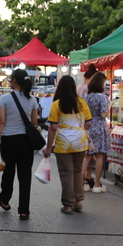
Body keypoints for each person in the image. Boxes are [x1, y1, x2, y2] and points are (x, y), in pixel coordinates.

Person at [0, 68, 40, 220]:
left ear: (14, 81)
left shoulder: (5, 98)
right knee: (25, 175)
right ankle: (24, 210)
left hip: (9, 139)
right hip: (26, 141)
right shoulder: (32, 99)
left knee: (8, 172)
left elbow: (1, 121)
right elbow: (34, 122)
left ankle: (5, 200)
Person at [44, 75, 92, 214]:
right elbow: (88, 123)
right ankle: (79, 201)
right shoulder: (82, 103)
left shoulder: (57, 104)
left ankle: (68, 205)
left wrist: (49, 147)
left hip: (63, 144)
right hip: (80, 143)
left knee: (66, 173)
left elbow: (53, 128)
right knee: (77, 171)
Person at [82, 71, 111, 193]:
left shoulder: (86, 97)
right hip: (99, 127)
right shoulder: (102, 97)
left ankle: (80, 181)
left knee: (88, 156)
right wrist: (110, 106)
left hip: (88, 126)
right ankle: (97, 184)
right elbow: (103, 115)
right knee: (100, 156)